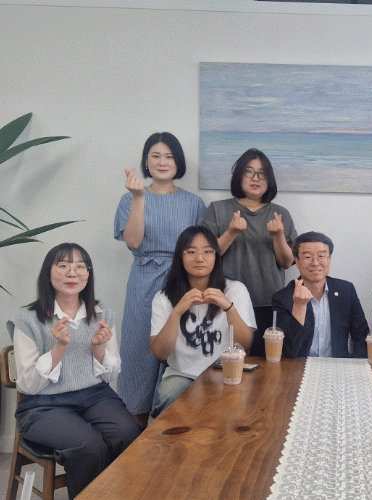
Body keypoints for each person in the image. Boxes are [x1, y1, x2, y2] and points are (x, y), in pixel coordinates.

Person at [8, 243, 141, 500]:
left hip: (96, 396)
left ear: (88, 274)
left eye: (81, 266)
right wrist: (59, 347)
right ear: (48, 272)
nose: (73, 273)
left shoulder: (103, 314)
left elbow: (110, 375)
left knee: (128, 435)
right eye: (63, 265)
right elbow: (27, 385)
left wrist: (98, 347)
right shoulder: (27, 320)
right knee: (88, 446)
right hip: (42, 405)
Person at [114, 132, 206, 428]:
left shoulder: (193, 203)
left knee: (180, 350)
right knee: (140, 352)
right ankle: (135, 437)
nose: (162, 162)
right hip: (143, 280)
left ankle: (174, 434)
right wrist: (139, 197)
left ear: (178, 162)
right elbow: (133, 241)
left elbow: (203, 250)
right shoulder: (130, 198)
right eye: (155, 156)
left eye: (169, 156)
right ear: (146, 161)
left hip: (182, 280)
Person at [150, 226, 256, 416]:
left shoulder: (235, 290)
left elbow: (245, 343)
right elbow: (160, 353)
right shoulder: (163, 297)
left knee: (237, 404)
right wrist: (177, 311)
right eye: (191, 252)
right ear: (180, 257)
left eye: (207, 251)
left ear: (216, 256)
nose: (200, 258)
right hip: (181, 375)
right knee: (169, 396)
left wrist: (229, 307)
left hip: (224, 371)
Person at [202, 148, 297, 357]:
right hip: (226, 301)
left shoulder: (281, 214)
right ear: (239, 176)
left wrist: (278, 235)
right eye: (249, 172)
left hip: (269, 303)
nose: (255, 178)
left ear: (269, 180)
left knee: (267, 362)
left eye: (262, 174)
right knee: (227, 361)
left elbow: (287, 262)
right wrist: (231, 232)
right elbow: (205, 256)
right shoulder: (217, 209)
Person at [271, 231, 369, 358]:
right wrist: (299, 306)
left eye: (321, 256)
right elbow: (287, 351)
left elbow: (362, 339)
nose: (315, 263)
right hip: (300, 367)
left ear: (329, 259)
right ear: (297, 261)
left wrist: (355, 365)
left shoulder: (346, 290)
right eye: (307, 257)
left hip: (338, 365)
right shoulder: (282, 298)